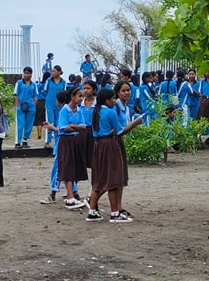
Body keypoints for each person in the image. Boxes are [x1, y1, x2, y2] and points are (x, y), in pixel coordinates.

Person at [85, 88, 142, 223]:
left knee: (98, 180)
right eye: (112, 99)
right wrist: (135, 123)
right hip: (110, 145)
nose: (114, 101)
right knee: (113, 179)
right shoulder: (110, 112)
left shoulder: (96, 111)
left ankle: (92, 212)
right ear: (107, 100)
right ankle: (115, 213)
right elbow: (121, 131)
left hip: (98, 146)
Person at [44, 88, 87, 210]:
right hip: (65, 142)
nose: (81, 99)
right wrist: (75, 127)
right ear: (72, 97)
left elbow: (83, 127)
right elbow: (64, 128)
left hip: (73, 141)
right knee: (65, 168)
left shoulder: (78, 110)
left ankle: (70, 194)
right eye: (80, 96)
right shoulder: (65, 110)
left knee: (71, 168)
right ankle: (67, 195)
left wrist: (72, 126)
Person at [43, 66, 67, 149]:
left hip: (59, 106)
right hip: (49, 104)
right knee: (50, 122)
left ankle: (57, 142)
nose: (52, 73)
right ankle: (47, 141)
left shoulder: (63, 82)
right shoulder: (49, 81)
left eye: (54, 71)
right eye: (52, 71)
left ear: (59, 72)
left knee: (58, 123)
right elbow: (45, 91)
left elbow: (64, 93)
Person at [13, 67, 37, 149]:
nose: (26, 75)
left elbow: (35, 96)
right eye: (25, 73)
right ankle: (17, 142)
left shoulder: (33, 85)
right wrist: (17, 105)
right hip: (21, 105)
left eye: (28, 73)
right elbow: (15, 94)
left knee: (29, 125)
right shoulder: (19, 83)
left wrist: (34, 106)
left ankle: (25, 140)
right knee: (20, 124)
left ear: (31, 74)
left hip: (30, 107)